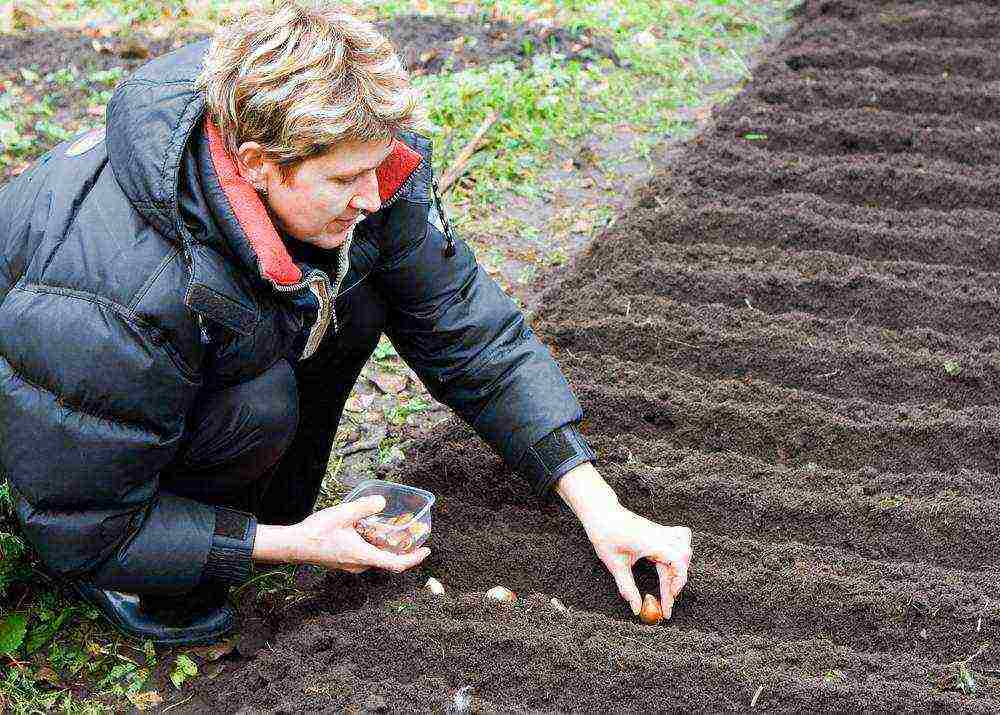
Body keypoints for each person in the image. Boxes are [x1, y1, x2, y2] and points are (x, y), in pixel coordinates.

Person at [0, 1, 691, 645]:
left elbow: (470, 331)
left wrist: (602, 509)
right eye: (346, 180)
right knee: (254, 406)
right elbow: (83, 522)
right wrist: (291, 544)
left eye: (380, 166)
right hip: (63, 437)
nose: (373, 194)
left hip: (137, 368)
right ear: (257, 165)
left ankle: (252, 506)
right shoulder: (114, 290)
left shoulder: (350, 164)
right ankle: (141, 576)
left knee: (357, 286)